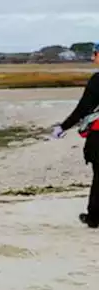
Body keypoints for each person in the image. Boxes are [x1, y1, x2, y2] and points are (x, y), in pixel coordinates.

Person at [50, 42, 99, 229]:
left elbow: (83, 108)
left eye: (95, 54)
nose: (93, 57)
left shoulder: (97, 80)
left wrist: (63, 127)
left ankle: (94, 217)